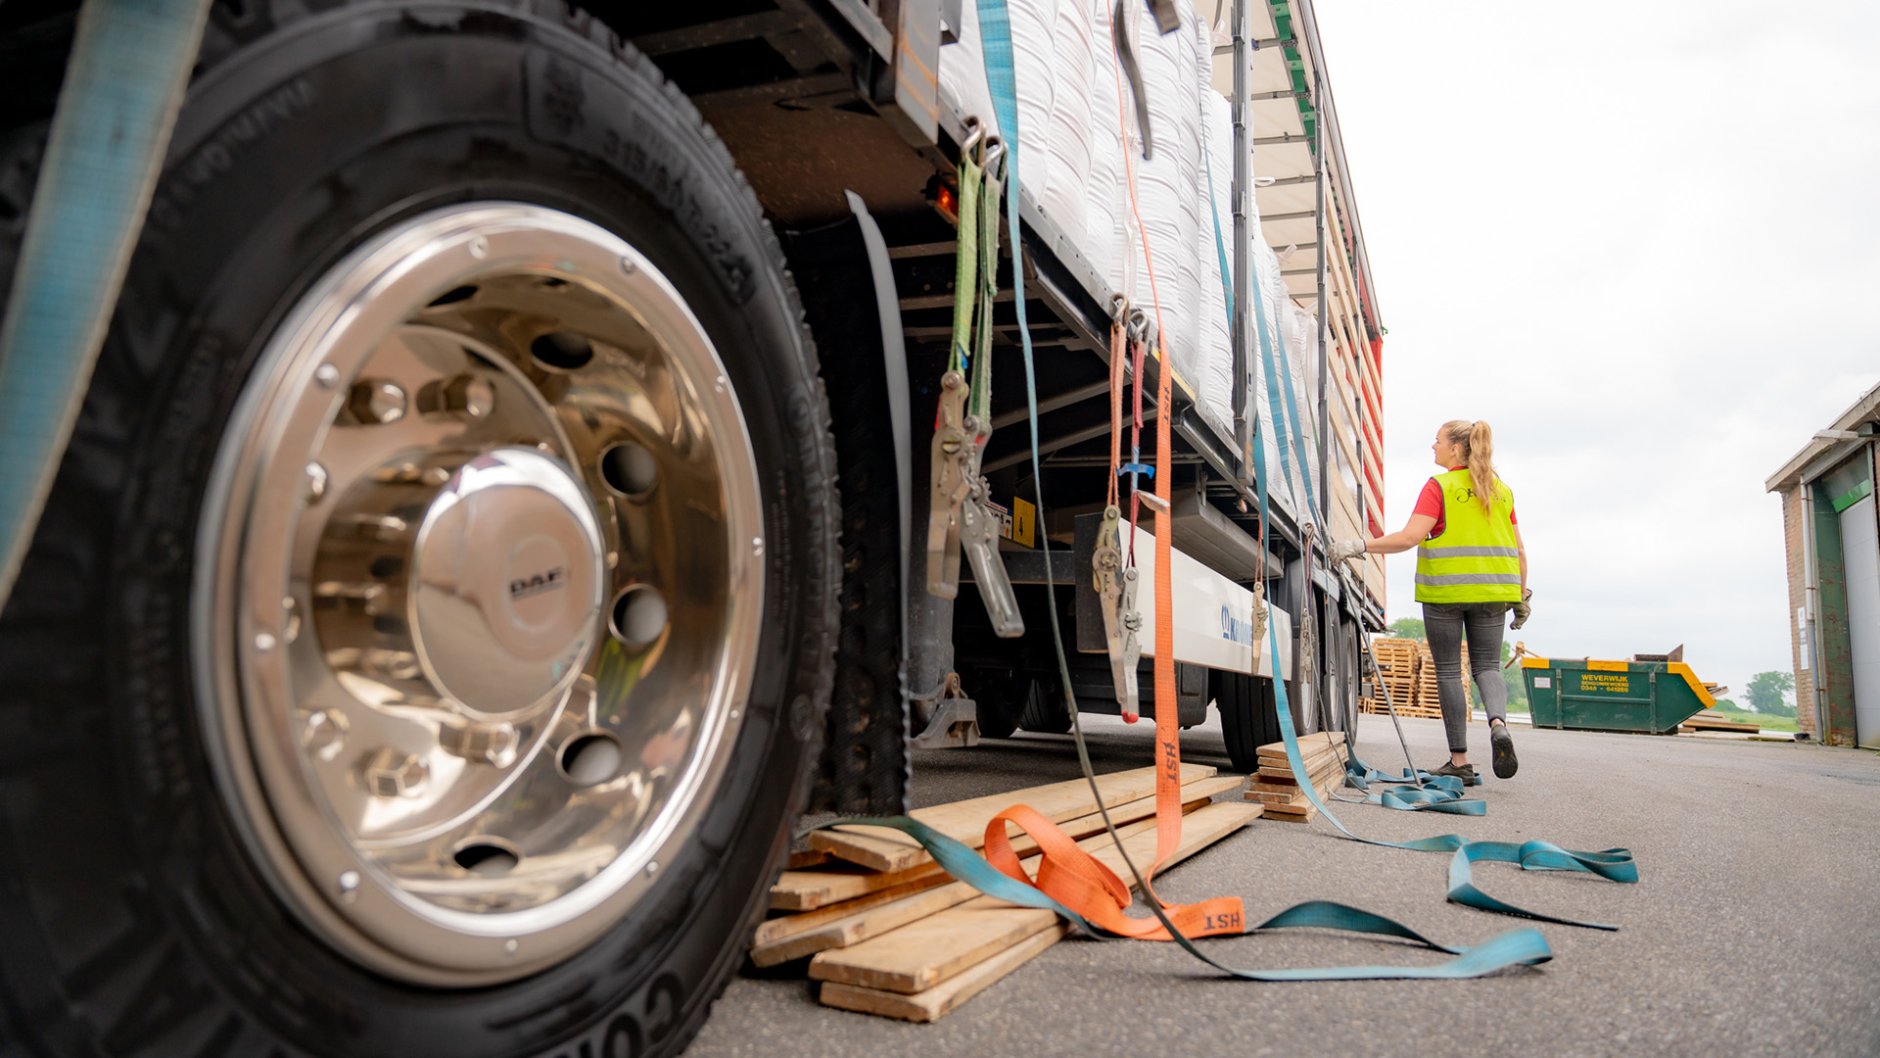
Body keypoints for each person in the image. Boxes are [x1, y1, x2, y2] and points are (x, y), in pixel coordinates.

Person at [1329, 420, 1530, 781]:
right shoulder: (1502, 491)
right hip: (1495, 595)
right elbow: (1518, 551)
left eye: (1437, 442)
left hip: (1446, 594)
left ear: (1455, 449)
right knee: (1487, 667)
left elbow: (1409, 537)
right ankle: (1499, 724)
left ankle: (1460, 761)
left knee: (1450, 670)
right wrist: (1522, 597)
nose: (1432, 447)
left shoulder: (1440, 486)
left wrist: (1357, 546)